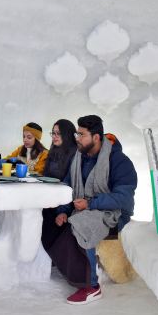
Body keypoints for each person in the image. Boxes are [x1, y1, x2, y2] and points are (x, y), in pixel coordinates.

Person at [54, 115, 137, 305]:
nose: (77, 138)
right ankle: (71, 269)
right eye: (77, 133)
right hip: (87, 208)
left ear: (96, 137)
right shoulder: (79, 158)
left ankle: (91, 286)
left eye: (82, 135)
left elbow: (123, 198)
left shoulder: (119, 161)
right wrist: (63, 211)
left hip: (115, 213)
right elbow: (69, 186)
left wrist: (91, 204)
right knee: (52, 220)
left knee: (83, 224)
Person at [41, 119, 77, 253]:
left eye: (59, 134)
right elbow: (46, 176)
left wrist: (63, 210)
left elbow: (70, 184)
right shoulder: (54, 151)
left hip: (65, 203)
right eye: (53, 133)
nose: (55, 137)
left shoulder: (75, 155)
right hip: (51, 199)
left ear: (67, 135)